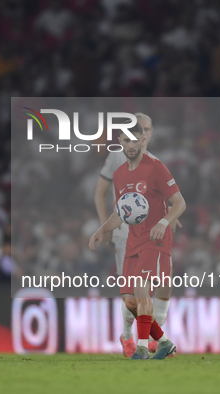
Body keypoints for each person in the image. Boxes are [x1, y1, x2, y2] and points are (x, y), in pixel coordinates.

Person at [89, 123, 186, 360]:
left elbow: (180, 203)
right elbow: (119, 212)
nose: (131, 145)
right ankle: (163, 342)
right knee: (130, 301)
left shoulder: (156, 167)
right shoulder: (119, 174)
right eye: (126, 140)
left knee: (142, 291)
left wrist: (163, 223)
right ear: (120, 141)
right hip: (133, 240)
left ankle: (142, 347)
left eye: (135, 140)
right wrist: (102, 229)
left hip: (155, 239)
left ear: (142, 140)